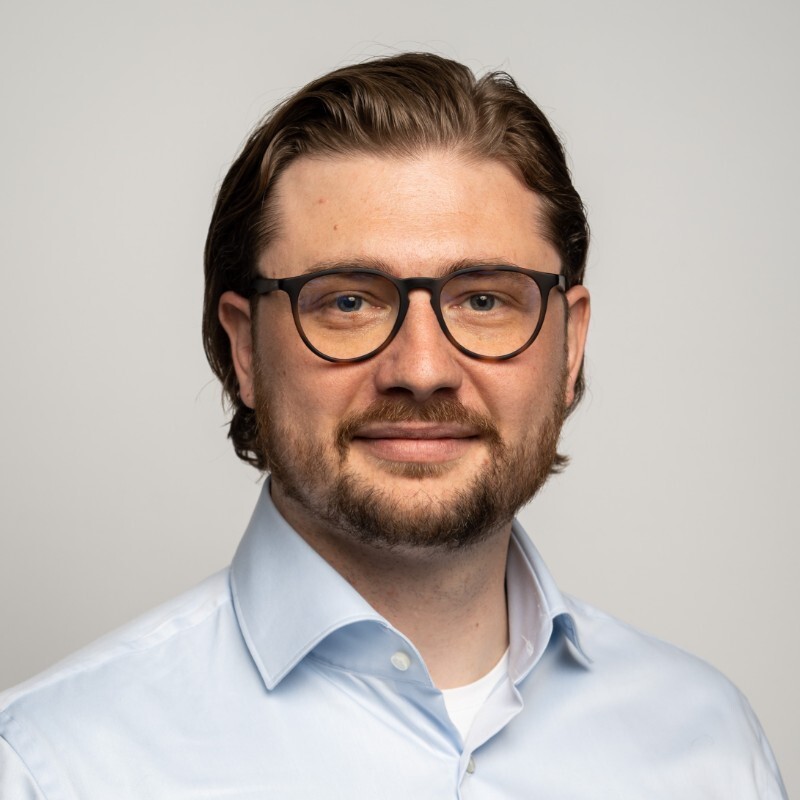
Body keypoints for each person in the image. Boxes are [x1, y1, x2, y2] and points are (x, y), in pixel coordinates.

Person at [0, 53, 786, 799]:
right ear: (245, 348)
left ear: (571, 344)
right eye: (347, 301)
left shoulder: (710, 746)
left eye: (484, 299)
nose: (420, 368)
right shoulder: (54, 765)